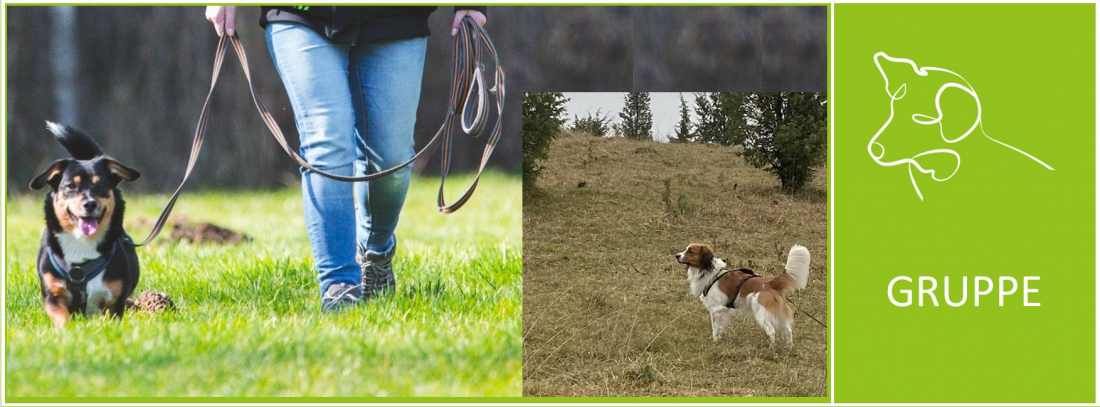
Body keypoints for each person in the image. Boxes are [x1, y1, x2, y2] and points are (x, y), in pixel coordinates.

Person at [205, 6, 487, 311]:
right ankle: (340, 285)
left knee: (391, 161)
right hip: (300, 14)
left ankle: (376, 253)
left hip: (396, 16)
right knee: (326, 140)